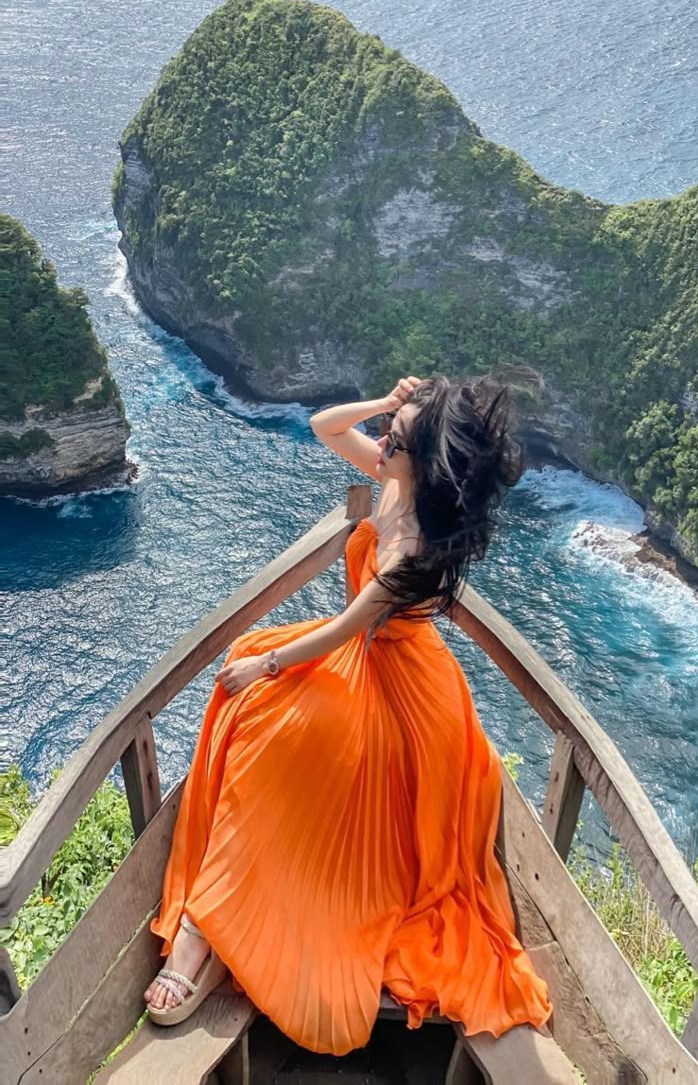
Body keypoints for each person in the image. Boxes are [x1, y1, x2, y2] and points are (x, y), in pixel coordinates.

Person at [143, 372, 553, 1054]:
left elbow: (344, 632)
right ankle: (215, 919)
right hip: (366, 662)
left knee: (269, 712)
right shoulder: (394, 477)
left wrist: (266, 666)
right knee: (258, 704)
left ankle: (208, 926)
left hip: (406, 692)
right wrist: (388, 406)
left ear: (422, 460)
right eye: (392, 428)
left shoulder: (415, 546)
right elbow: (324, 426)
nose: (385, 438)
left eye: (399, 434)